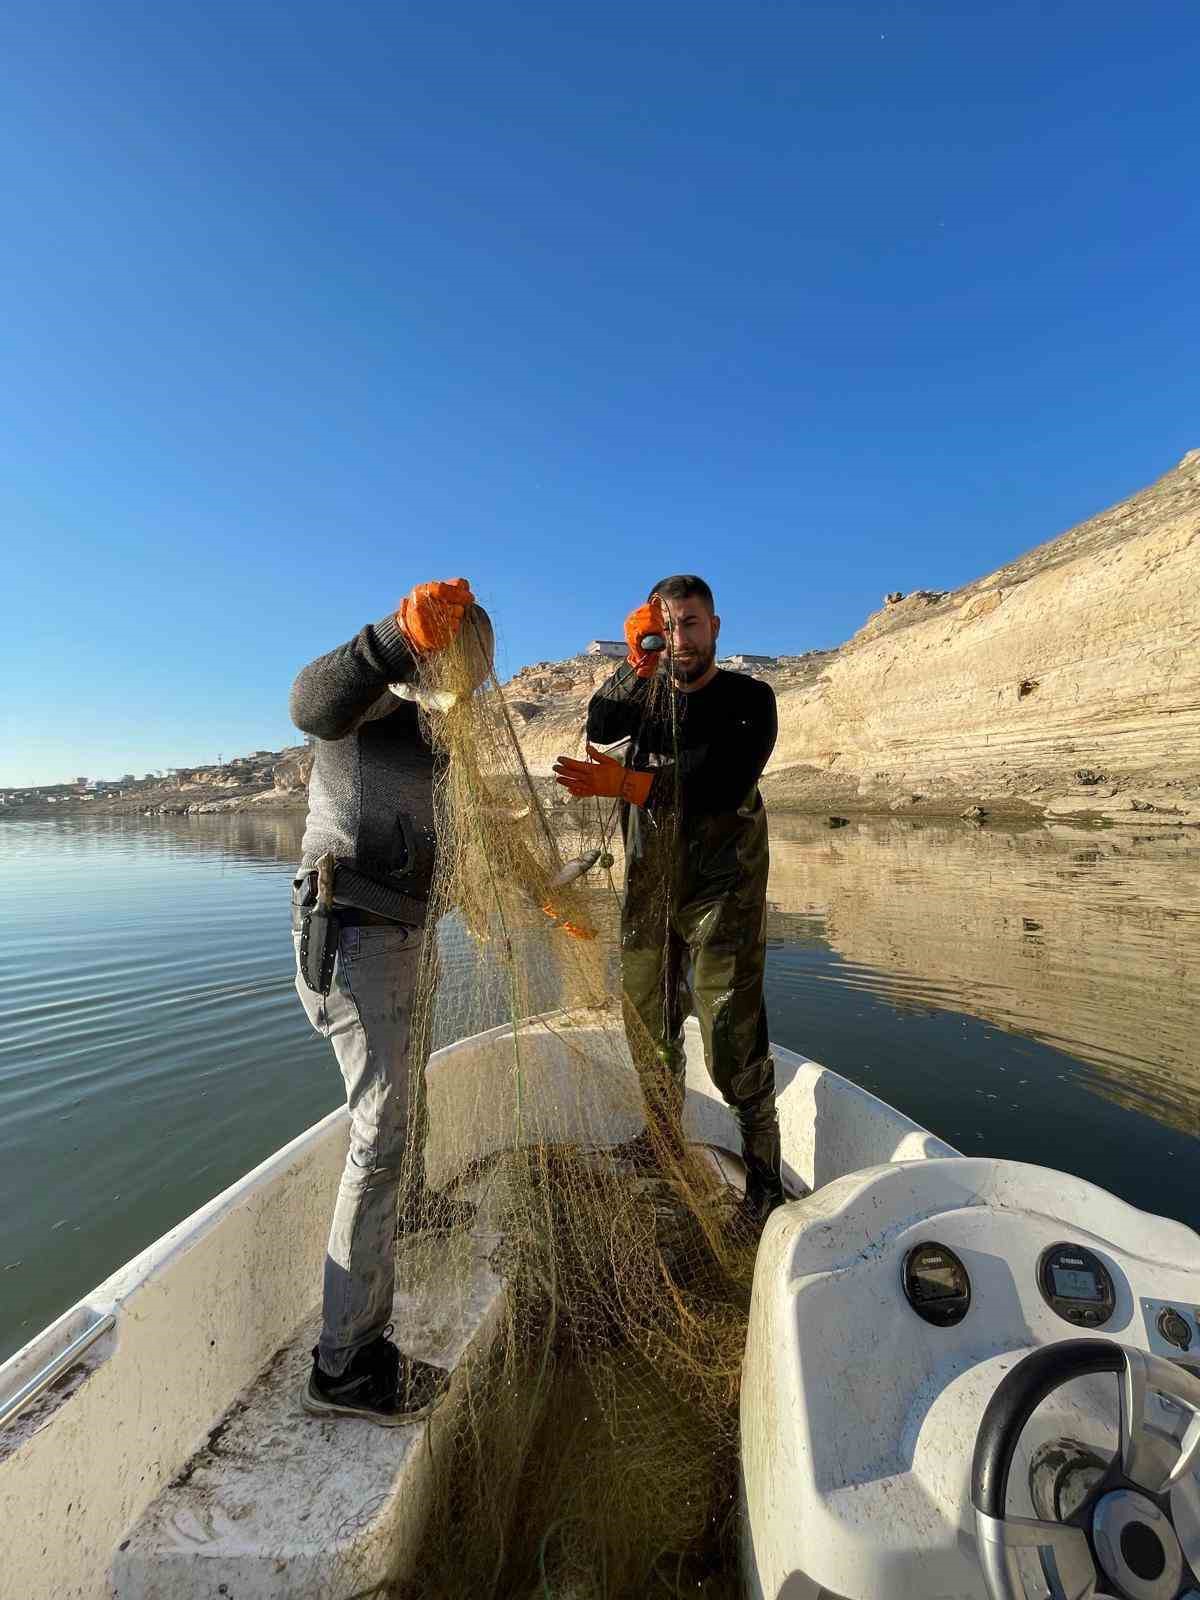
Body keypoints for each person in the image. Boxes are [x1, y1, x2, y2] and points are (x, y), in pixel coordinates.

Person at [289, 576, 480, 1426]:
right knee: (382, 1127)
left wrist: (546, 898)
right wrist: (388, 640)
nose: (469, 669)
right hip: (355, 937)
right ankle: (347, 1363)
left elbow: (470, 847)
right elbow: (309, 703)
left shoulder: (444, 736)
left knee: (411, 1098)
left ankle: (415, 1210)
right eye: (455, 649)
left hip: (408, 939)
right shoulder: (373, 705)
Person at [552, 575, 784, 1231]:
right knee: (647, 1026)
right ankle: (658, 1144)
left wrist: (625, 782)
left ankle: (765, 1184)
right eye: (666, 626)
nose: (679, 637)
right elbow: (600, 726)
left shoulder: (749, 698)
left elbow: (721, 780)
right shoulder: (645, 697)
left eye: (689, 623)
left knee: (731, 1041)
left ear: (714, 627)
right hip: (650, 889)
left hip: (722, 896)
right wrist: (634, 666)